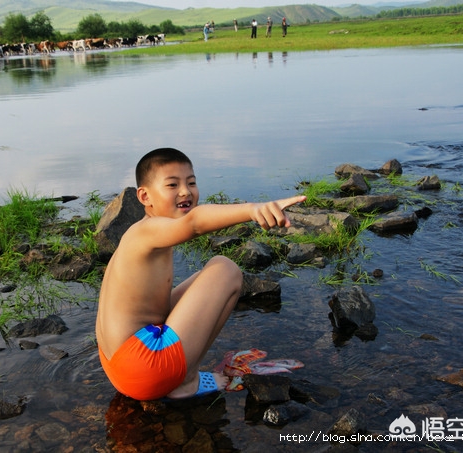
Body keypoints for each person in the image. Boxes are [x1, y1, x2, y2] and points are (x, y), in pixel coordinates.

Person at [95, 148, 306, 401]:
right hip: (143, 368)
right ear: (144, 196)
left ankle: (176, 376)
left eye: (191, 182)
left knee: (201, 280)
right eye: (172, 184)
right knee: (224, 269)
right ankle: (186, 381)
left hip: (118, 367)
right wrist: (253, 210)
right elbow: (194, 223)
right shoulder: (146, 231)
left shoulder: (144, 233)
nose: (185, 191)